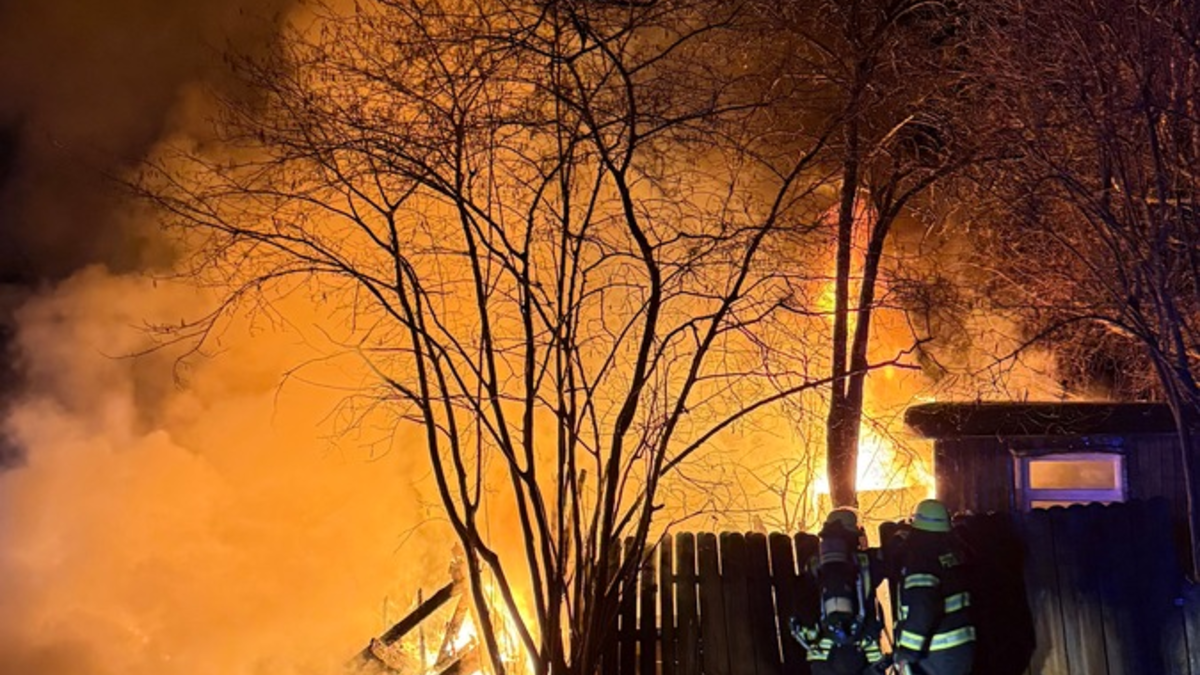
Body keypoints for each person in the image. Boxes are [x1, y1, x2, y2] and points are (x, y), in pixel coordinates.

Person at [790, 508, 885, 675]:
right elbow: (889, 561)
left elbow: (804, 603)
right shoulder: (866, 561)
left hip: (822, 654)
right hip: (859, 650)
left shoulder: (813, 564)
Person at [891, 499, 975, 675]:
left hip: (936, 654)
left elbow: (922, 607)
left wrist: (906, 651)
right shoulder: (954, 553)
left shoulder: (922, 558)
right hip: (962, 650)